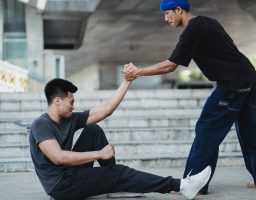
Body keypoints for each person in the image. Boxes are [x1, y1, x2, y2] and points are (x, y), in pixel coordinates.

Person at [123, 0, 256, 194]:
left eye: (167, 13)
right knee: (248, 132)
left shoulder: (193, 30)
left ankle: (193, 184)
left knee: (207, 130)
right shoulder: (208, 22)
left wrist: (138, 72)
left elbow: (170, 65)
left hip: (232, 84)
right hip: (248, 77)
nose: (166, 18)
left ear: (179, 10)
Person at [29, 69, 211, 200]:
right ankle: (181, 186)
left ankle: (115, 184)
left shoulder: (70, 119)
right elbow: (59, 157)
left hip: (71, 175)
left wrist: (127, 81)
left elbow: (107, 110)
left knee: (93, 130)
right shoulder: (41, 124)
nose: (74, 105)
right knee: (120, 173)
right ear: (58, 101)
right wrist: (99, 154)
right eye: (71, 101)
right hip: (61, 186)